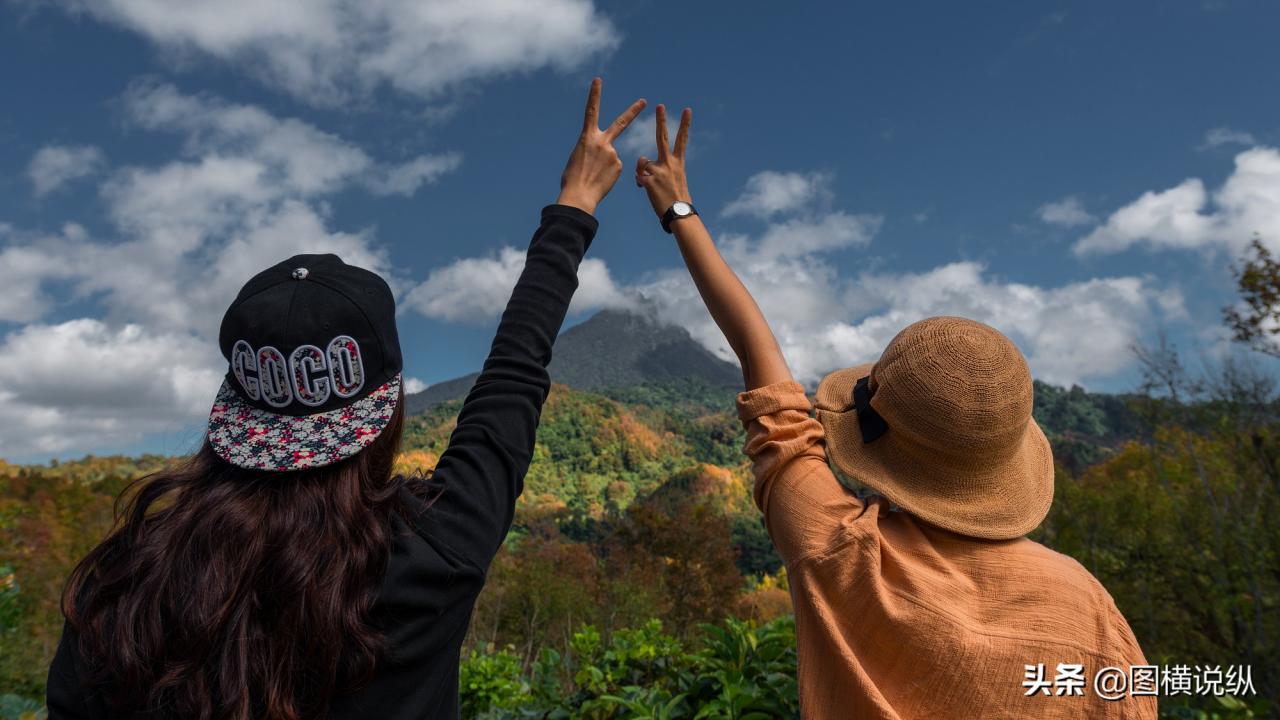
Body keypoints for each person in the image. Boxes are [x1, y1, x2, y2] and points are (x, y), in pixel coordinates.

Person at [45, 78, 645, 720]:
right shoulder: (434, 550)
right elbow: (513, 376)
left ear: (237, 413)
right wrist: (573, 206)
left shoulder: (128, 582)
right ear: (384, 410)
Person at [634, 104, 1157, 719]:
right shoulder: (1090, 614)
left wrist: (680, 210)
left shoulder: (841, 552)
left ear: (877, 441)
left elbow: (760, 358)